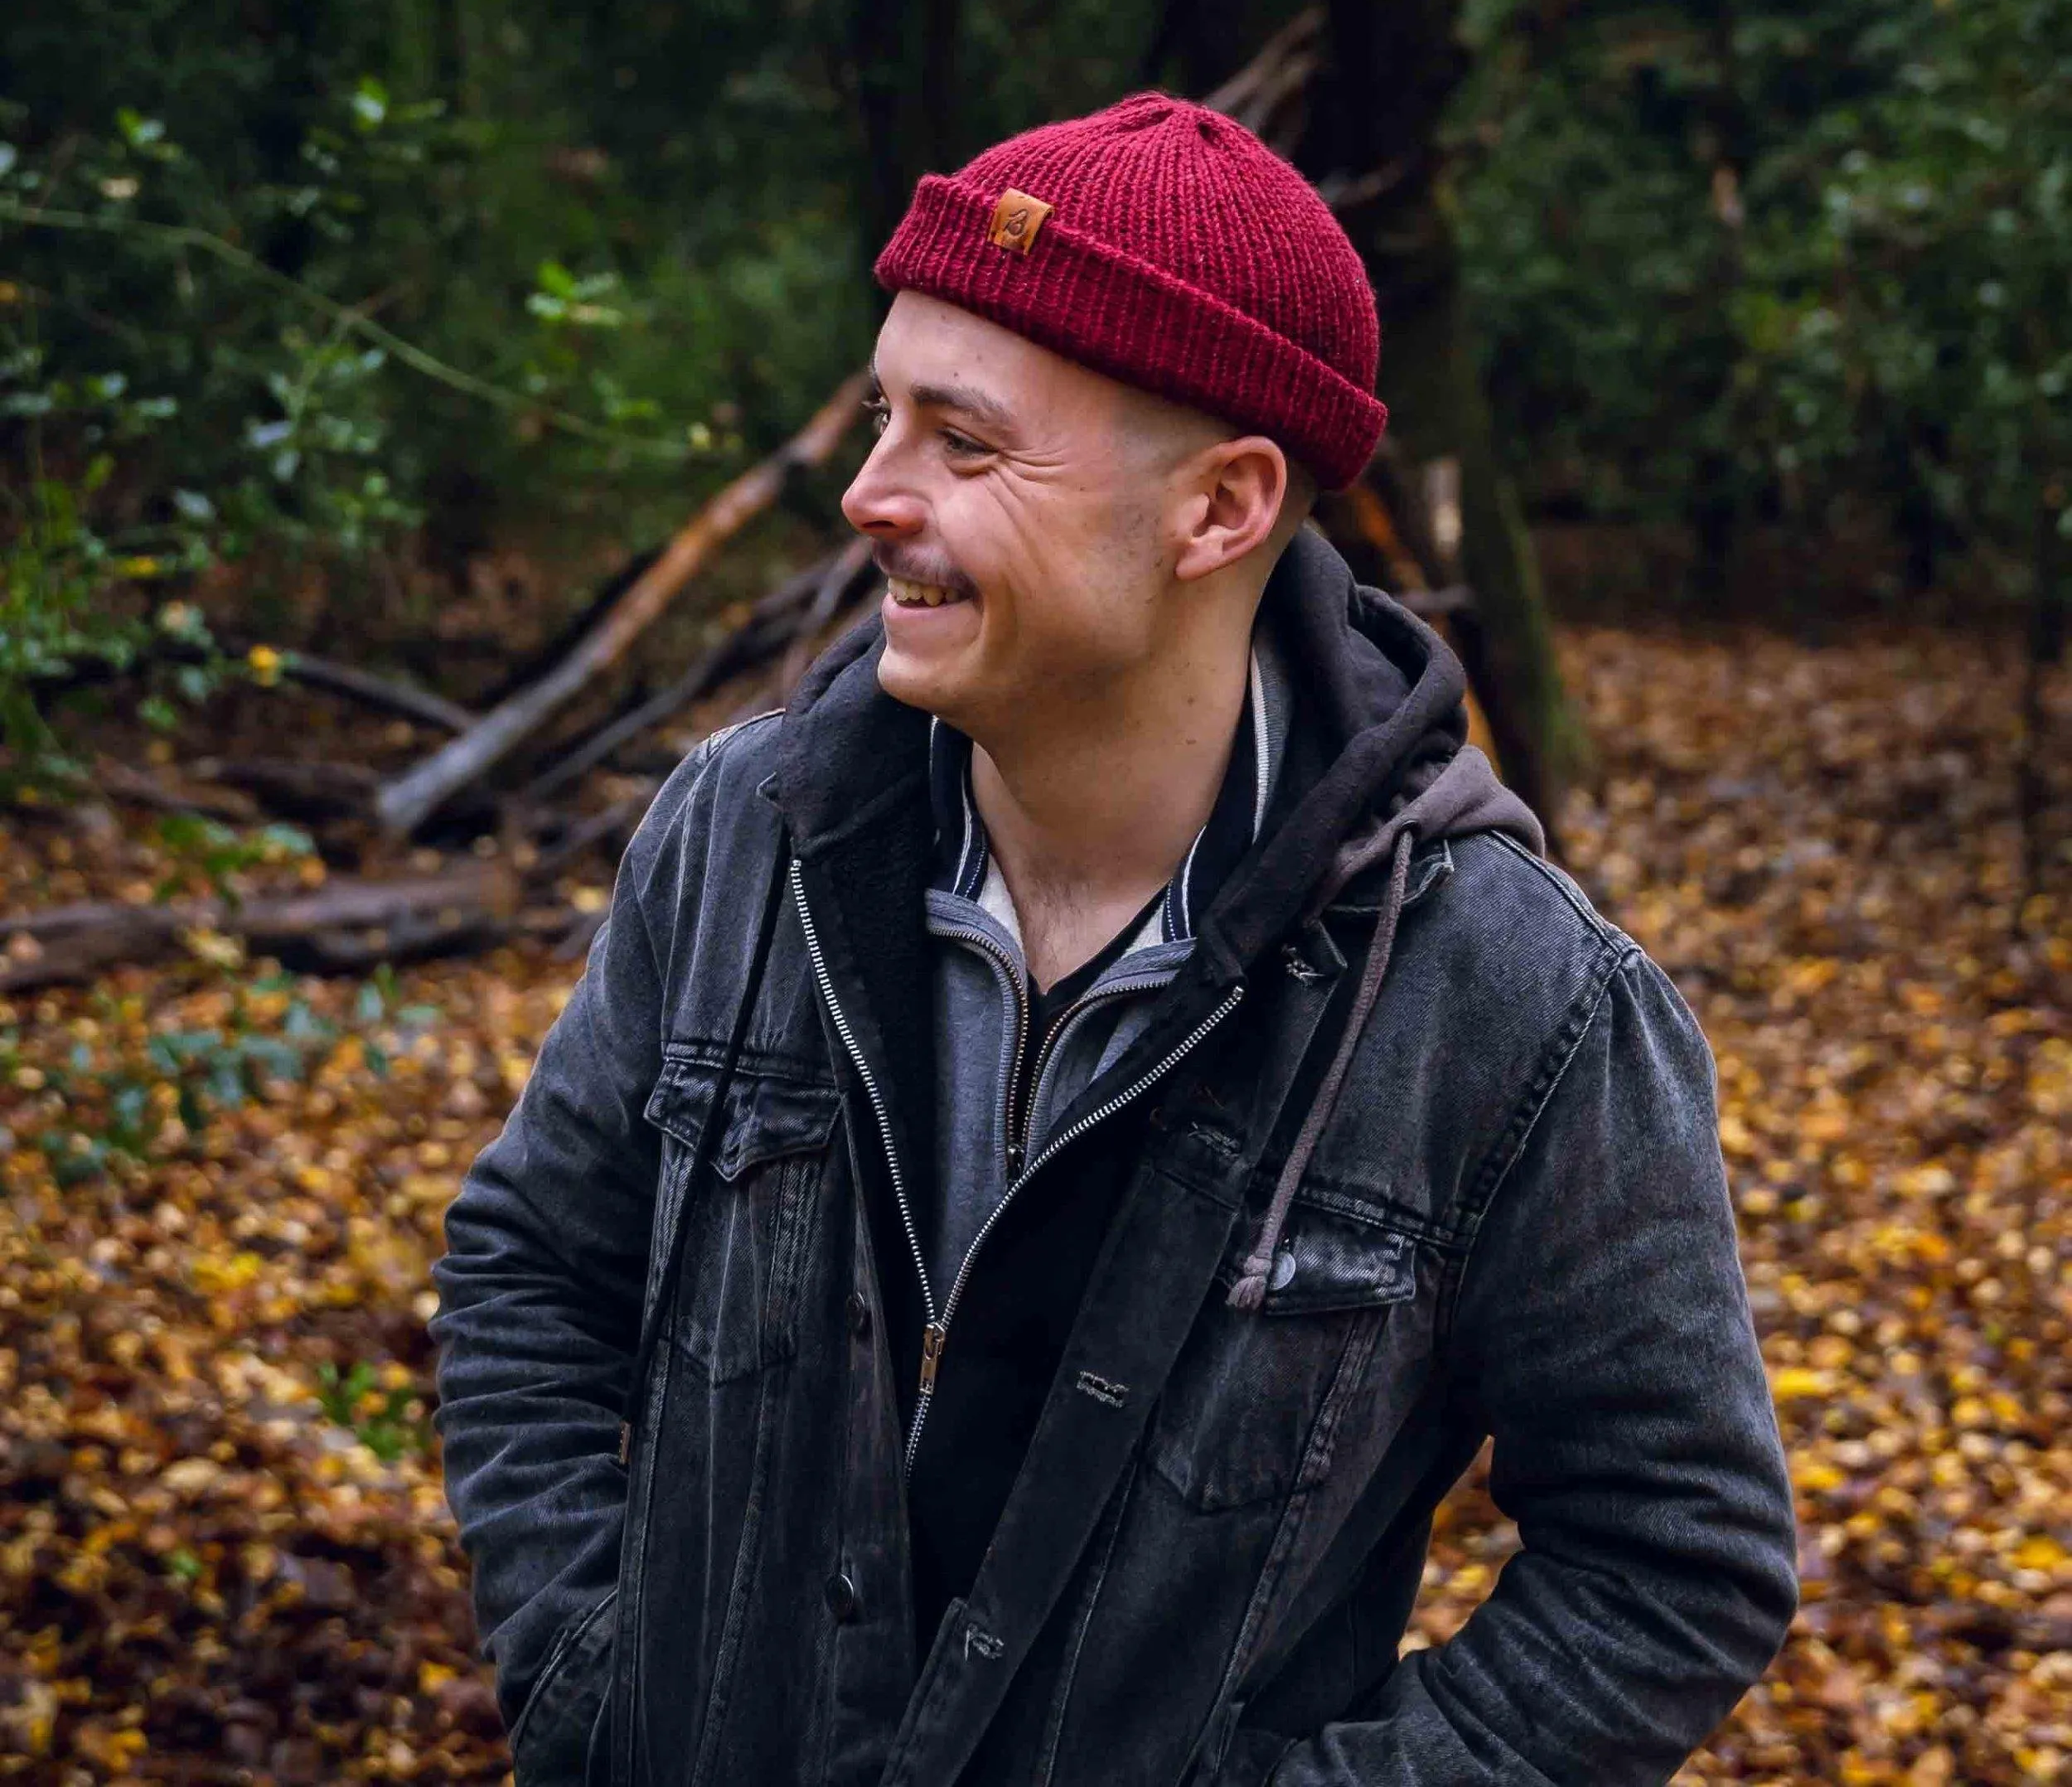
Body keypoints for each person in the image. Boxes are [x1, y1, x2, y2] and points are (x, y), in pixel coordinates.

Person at [429, 91, 1796, 1787]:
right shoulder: (739, 837)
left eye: (963, 441)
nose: (867, 494)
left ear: (1218, 508)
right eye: (880, 417)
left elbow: (1673, 1552)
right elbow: (526, 1268)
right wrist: (598, 1686)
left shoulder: (1509, 1000)